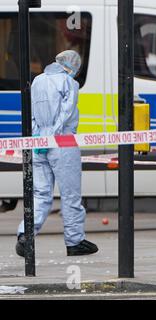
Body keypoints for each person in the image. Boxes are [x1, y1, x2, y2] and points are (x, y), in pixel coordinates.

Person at [16, 50, 98, 257]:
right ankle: (75, 241)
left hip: (38, 142)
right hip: (62, 142)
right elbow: (66, 112)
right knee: (70, 194)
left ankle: (25, 235)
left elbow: (31, 113)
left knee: (40, 193)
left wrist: (40, 137)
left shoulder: (37, 81)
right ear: (73, 67)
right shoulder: (69, 83)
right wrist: (53, 135)